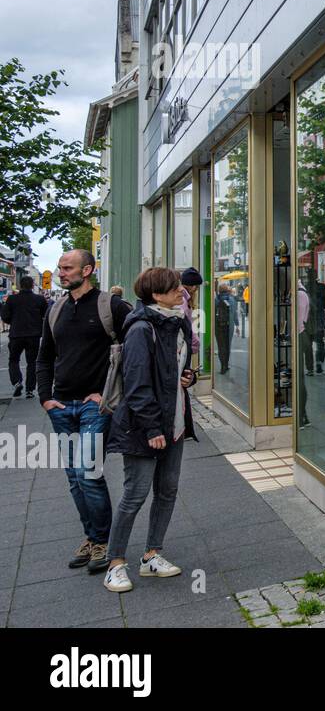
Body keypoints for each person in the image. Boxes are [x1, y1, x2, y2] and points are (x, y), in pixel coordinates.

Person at [103, 267, 198, 593]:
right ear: (157, 295)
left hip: (172, 424)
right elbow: (136, 383)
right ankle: (115, 563)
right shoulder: (141, 329)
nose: (181, 293)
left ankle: (152, 555)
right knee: (134, 495)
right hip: (145, 429)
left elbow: (181, 368)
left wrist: (189, 378)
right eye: (175, 289)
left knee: (168, 491)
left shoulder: (178, 323)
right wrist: (151, 427)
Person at [35, 250, 131, 573]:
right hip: (61, 406)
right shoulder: (55, 309)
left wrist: (108, 396)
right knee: (74, 478)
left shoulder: (112, 307)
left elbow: (135, 351)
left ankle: (103, 541)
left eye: (67, 268)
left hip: (95, 407)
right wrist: (45, 399)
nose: (60, 273)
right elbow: (44, 357)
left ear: (87, 270)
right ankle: (92, 537)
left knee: (88, 472)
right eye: (60, 267)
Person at [2, 275, 47, 398]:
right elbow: (46, 315)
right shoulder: (39, 299)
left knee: (13, 360)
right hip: (34, 335)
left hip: (16, 334)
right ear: (33, 285)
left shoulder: (11, 299)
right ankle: (30, 390)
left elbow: (5, 316)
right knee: (32, 362)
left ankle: (17, 382)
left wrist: (14, 321)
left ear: (20, 285)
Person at [179, 267, 203, 358]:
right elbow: (188, 326)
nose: (196, 290)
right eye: (197, 287)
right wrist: (195, 345)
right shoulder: (183, 301)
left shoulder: (184, 299)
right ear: (193, 286)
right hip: (184, 346)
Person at [214, 284, 233, 375]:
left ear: (219, 291)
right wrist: (236, 324)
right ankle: (226, 364)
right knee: (227, 346)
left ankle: (222, 366)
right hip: (229, 326)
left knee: (221, 346)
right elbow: (234, 314)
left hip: (218, 326)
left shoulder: (216, 300)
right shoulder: (232, 300)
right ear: (227, 290)